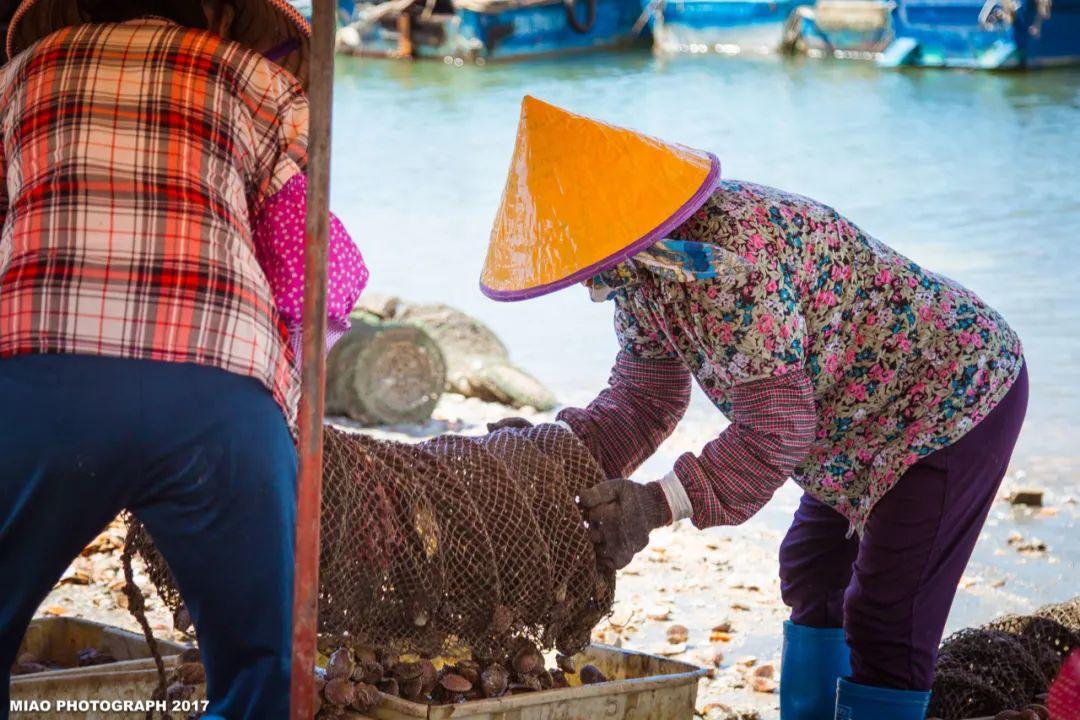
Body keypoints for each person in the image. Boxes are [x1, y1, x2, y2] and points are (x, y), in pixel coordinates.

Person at [483, 96, 1026, 720]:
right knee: (813, 574)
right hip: (848, 425)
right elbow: (644, 398)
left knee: (887, 615)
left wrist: (655, 503)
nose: (581, 277)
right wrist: (547, 461)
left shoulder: (734, 264)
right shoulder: (643, 268)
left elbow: (776, 429)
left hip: (951, 399)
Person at [0, 0, 366, 717]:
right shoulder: (258, 84)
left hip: (36, 386)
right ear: (220, 10)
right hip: (215, 400)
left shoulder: (16, 79)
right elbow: (324, 270)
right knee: (261, 670)